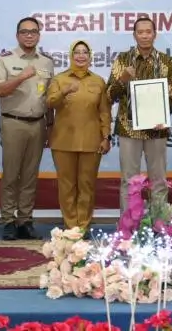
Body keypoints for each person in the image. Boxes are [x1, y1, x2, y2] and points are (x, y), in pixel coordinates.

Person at [0, 17, 55, 241]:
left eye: (33, 32)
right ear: (17, 35)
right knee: (11, 175)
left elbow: (49, 98)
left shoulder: (46, 62)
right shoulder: (5, 59)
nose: (29, 35)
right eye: (24, 32)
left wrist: (50, 125)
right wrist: (20, 78)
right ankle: (8, 220)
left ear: (39, 35)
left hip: (38, 124)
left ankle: (25, 221)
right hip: (13, 122)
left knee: (30, 176)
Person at [107, 16, 172, 211]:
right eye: (140, 32)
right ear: (134, 35)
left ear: (155, 34)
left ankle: (159, 226)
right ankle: (129, 226)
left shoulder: (165, 61)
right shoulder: (123, 59)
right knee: (130, 181)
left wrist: (163, 115)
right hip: (129, 129)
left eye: (149, 32)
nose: (145, 36)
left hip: (157, 129)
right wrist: (122, 79)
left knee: (158, 180)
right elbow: (109, 95)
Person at [46, 40, 111, 234]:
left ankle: (83, 226)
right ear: (71, 56)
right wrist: (64, 91)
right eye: (77, 52)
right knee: (66, 186)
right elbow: (49, 103)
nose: (81, 56)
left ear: (90, 57)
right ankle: (70, 226)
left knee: (87, 185)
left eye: (85, 52)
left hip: (92, 141)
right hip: (63, 141)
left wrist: (106, 136)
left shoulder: (98, 81)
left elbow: (105, 112)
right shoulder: (59, 79)